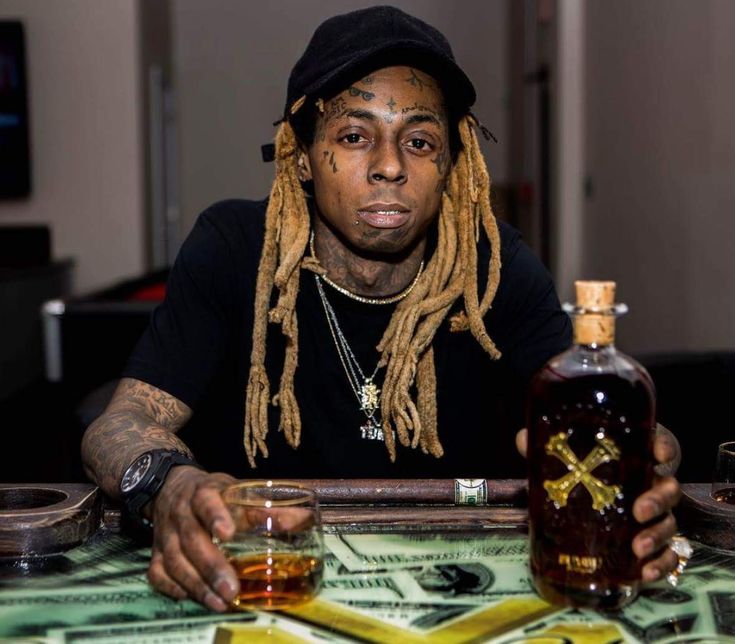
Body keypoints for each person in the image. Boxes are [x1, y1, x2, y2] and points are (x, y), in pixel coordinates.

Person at [81, 5, 682, 613]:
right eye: (353, 136)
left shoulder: (493, 268)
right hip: (260, 582)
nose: (390, 166)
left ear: (450, 165)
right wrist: (168, 484)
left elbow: (623, 430)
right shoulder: (235, 250)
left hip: (452, 592)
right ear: (302, 157)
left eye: (419, 141)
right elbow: (117, 424)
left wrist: (641, 475)